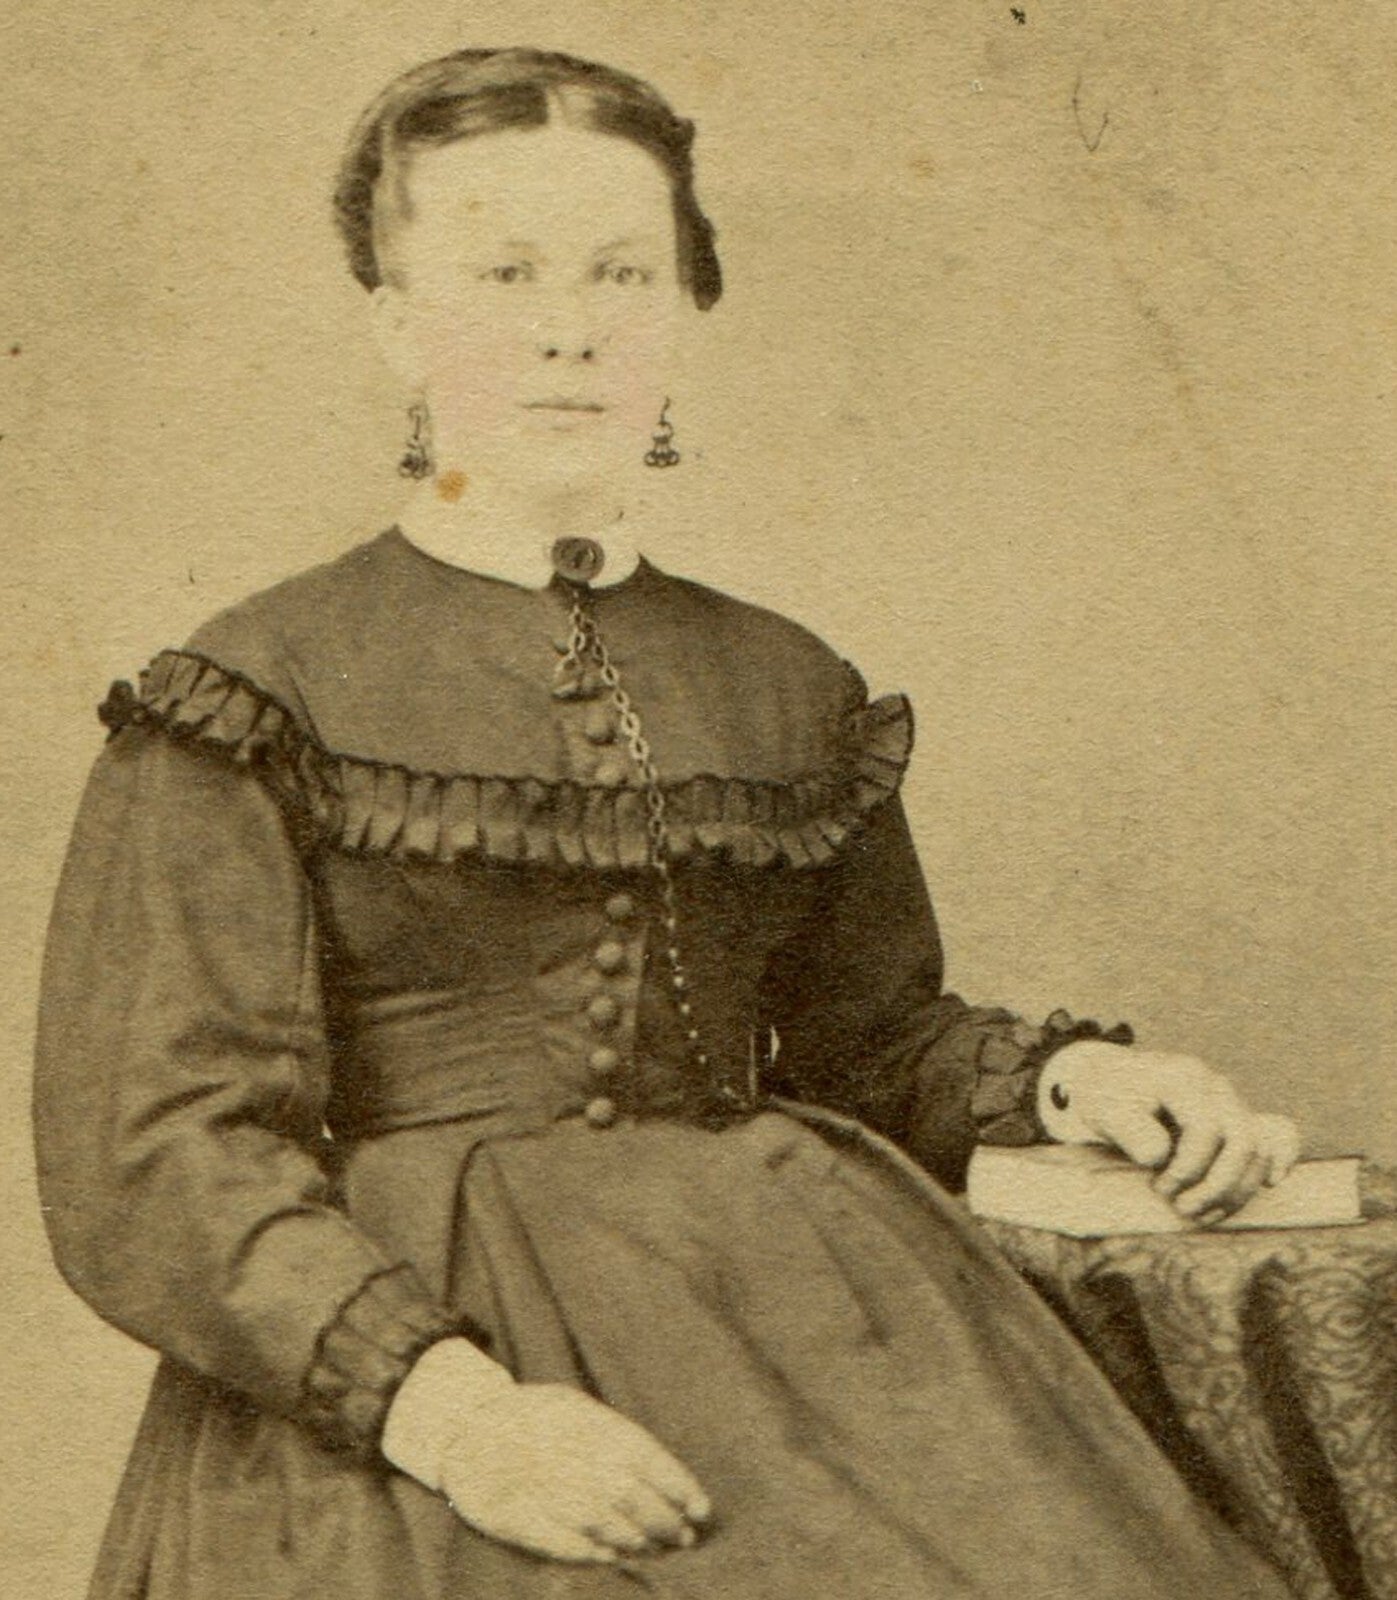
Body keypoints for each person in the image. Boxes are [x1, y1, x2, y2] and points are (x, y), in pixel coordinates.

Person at [34, 45, 1304, 1599]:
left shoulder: (784, 680)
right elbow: (154, 1156)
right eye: (504, 271)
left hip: (809, 1313)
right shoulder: (256, 687)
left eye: (623, 274)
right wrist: (460, 1419)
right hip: (429, 1364)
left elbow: (866, 1041)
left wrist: (1079, 1081)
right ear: (397, 321)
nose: (570, 331)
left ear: (684, 318)